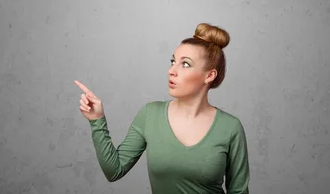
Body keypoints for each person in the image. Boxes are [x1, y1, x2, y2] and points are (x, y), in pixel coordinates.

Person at [74, 23, 250, 193]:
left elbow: (239, 191)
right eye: (173, 61)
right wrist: (97, 120)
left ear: (209, 75)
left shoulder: (230, 128)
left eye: (185, 64)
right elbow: (114, 170)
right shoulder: (151, 114)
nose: (171, 70)